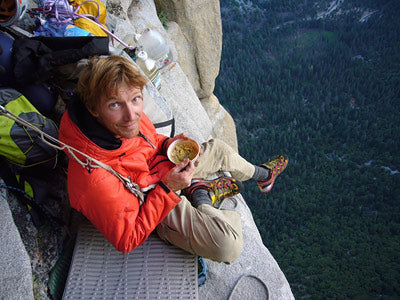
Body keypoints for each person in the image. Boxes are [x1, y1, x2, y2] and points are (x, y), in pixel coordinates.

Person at [58, 55, 288, 264]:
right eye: (114, 105)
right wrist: (168, 189)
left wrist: (168, 144)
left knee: (219, 149)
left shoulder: (123, 121)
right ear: (93, 109)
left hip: (159, 172)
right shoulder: (94, 178)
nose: (131, 115)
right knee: (228, 245)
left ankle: (264, 176)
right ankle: (201, 195)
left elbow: (148, 140)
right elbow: (127, 240)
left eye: (136, 99)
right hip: (149, 204)